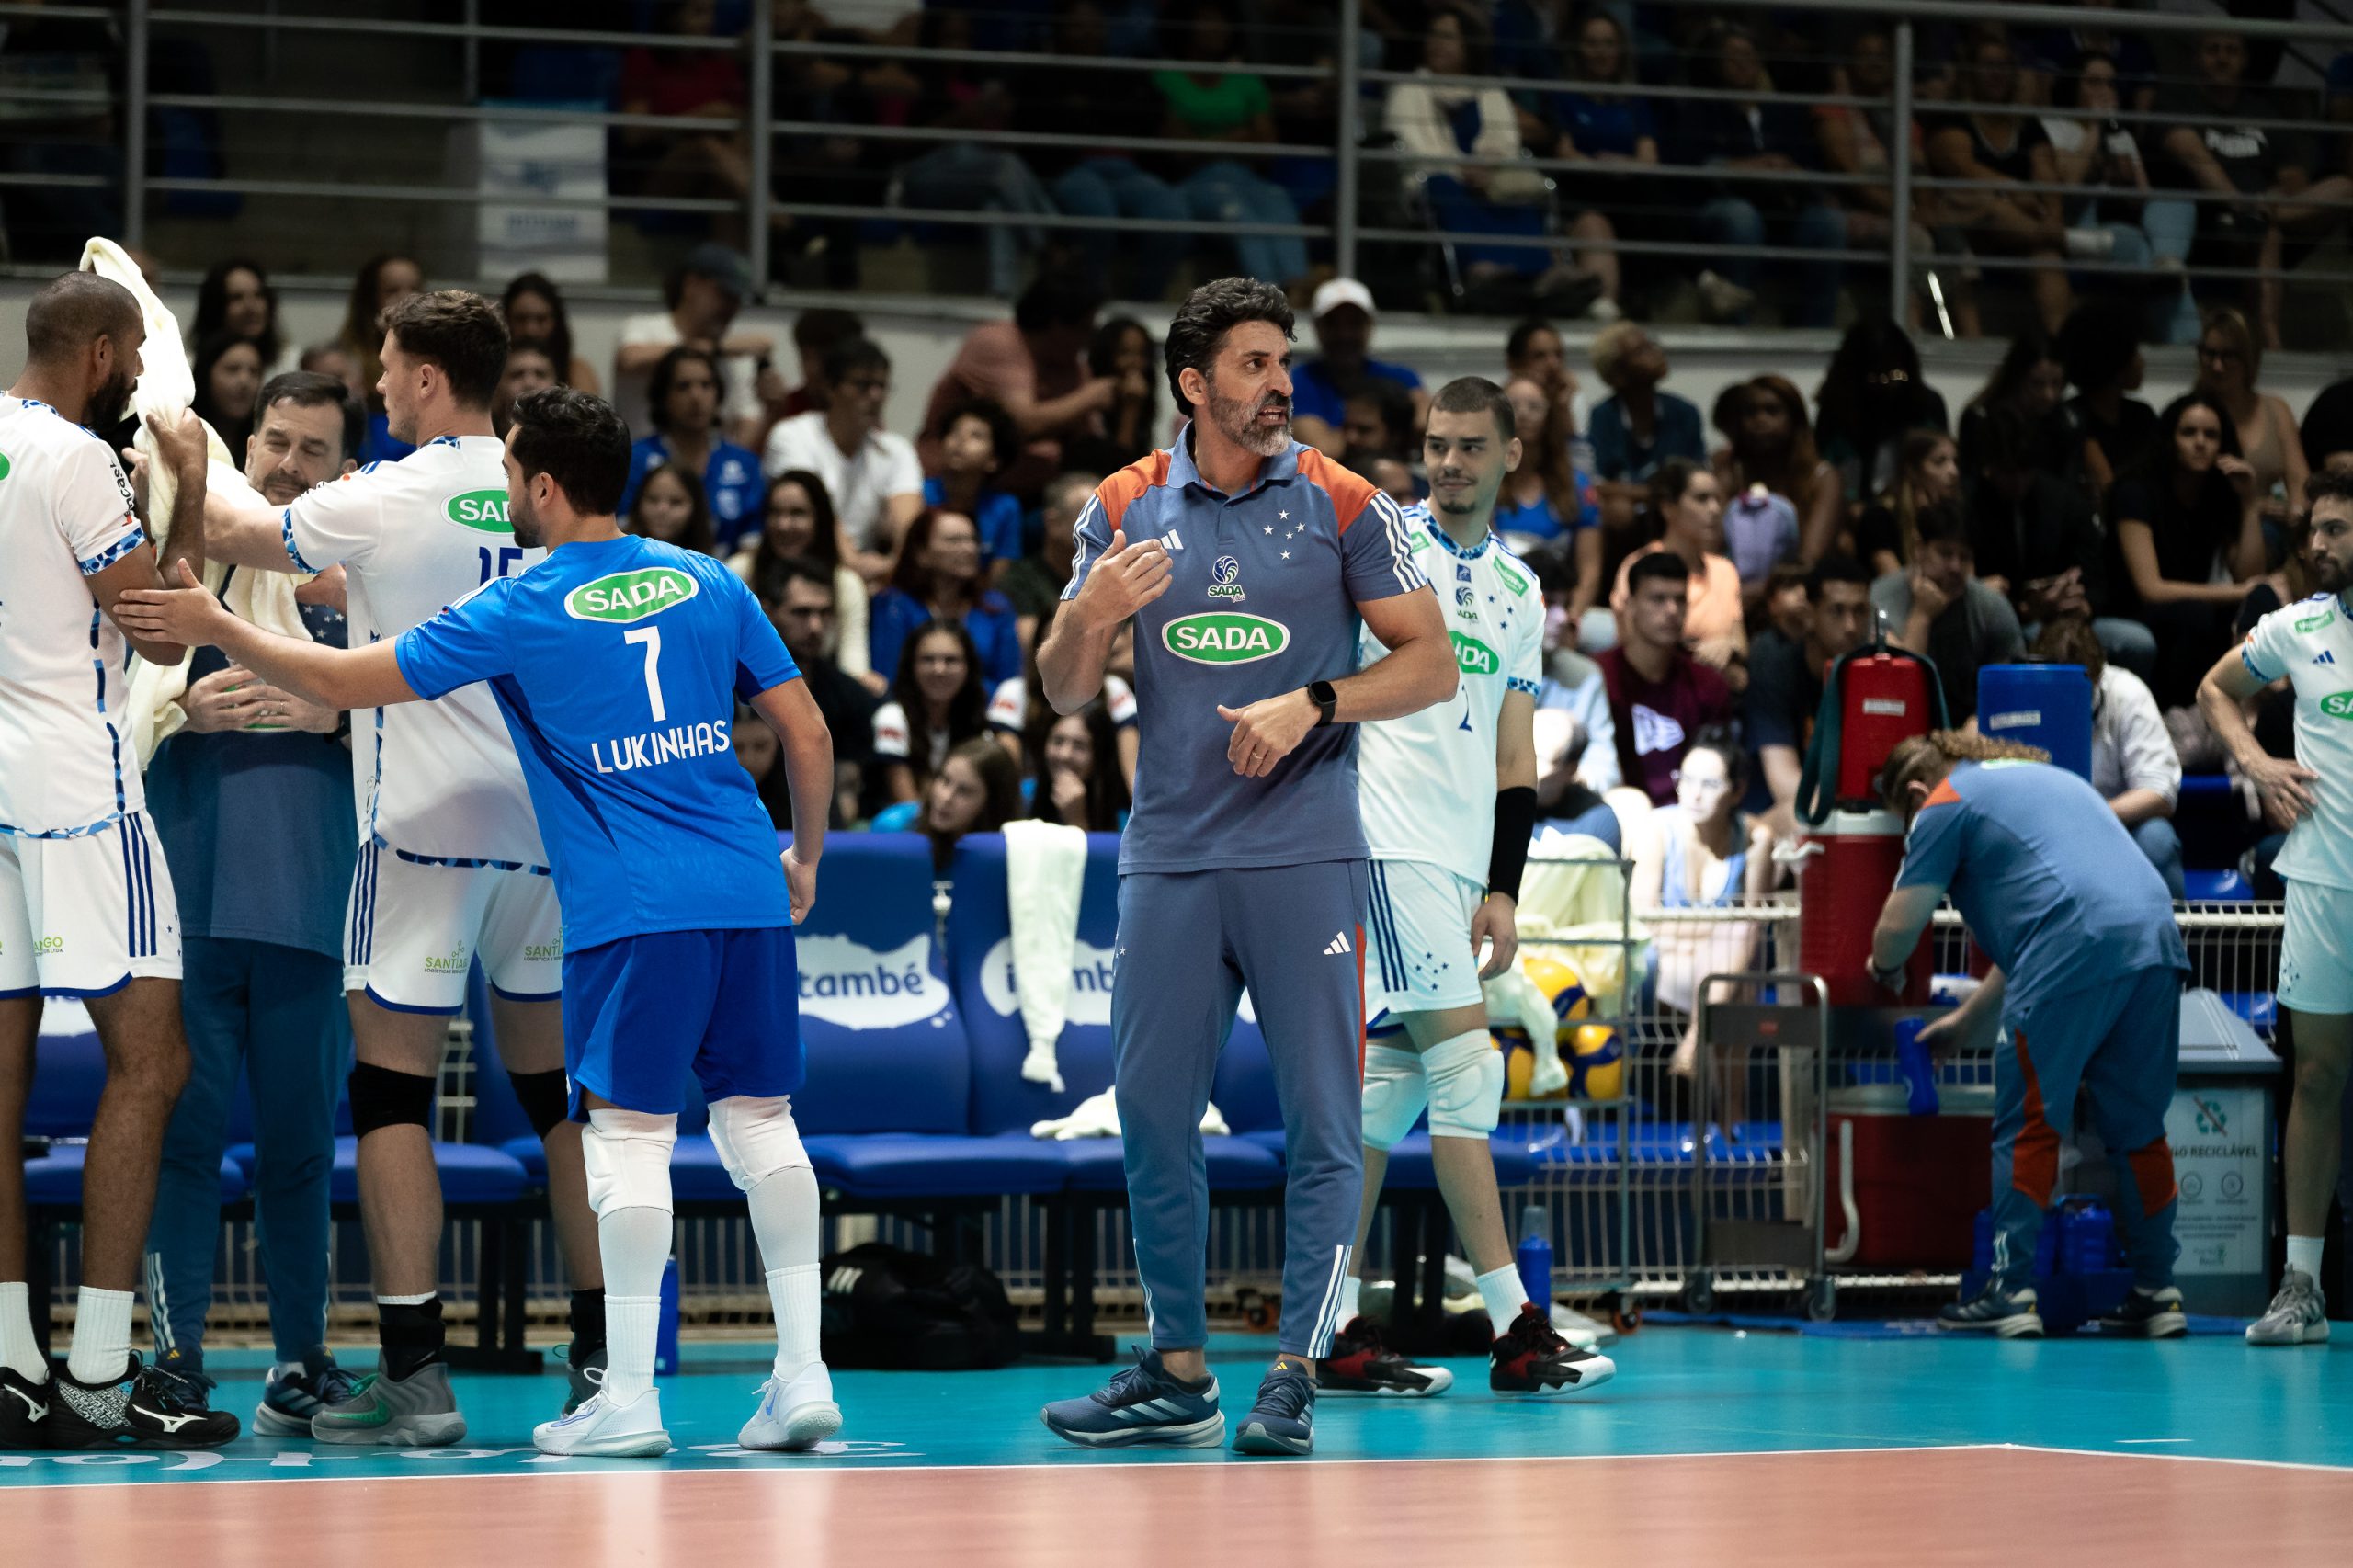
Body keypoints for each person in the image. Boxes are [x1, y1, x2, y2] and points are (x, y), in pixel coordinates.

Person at [116, 384, 845, 1460]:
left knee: (629, 1140)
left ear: (543, 486)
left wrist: (217, 623)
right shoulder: (706, 575)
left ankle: (624, 1399)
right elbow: (809, 730)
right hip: (743, 879)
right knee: (758, 1126)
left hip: (628, 903)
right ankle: (801, 1376)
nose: (499, 489)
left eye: (509, 475)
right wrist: (809, 856)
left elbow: (349, 674)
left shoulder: (529, 601)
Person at [1037, 277, 1454, 1457]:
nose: (1281, 383)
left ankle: (1293, 1367)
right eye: (1257, 363)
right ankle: (1177, 1368)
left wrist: (1318, 698)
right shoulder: (1120, 503)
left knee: (1325, 1123)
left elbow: (1429, 665)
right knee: (1153, 1122)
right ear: (1194, 383)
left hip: (1305, 854)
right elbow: (1064, 685)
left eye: (1284, 363)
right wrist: (1092, 614)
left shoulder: (1342, 499)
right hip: (1169, 854)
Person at [177, 289, 601, 1442]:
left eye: (383, 365)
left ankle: (415, 1375)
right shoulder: (540, 484)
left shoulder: (381, 491)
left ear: (422, 378)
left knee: (394, 1092)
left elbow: (236, 534)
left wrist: (175, 430)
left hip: (422, 826)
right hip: (550, 829)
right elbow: (383, 585)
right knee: (559, 1098)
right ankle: (604, 1362)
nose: (373, 383)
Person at [1320, 376, 1618, 1402]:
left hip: (1457, 867)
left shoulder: (1523, 591)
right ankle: (1514, 1330)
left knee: (1378, 1098)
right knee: (1467, 1072)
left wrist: (1502, 885)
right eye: (1436, 445)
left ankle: (1328, 1326)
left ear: (1509, 457)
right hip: (1383, 846)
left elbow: (1515, 752)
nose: (1447, 462)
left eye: (1468, 447)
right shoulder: (1376, 546)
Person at [0, 273, 235, 1450]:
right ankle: (98, 1376)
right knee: (153, 1062)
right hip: (76, 785)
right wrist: (184, 486)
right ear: (95, 352)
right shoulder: (79, 460)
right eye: (134, 355)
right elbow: (160, 617)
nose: (142, 375)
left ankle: (7, 1367)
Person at [138, 371, 366, 1435]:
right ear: (248, 442)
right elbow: (114, 686)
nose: (289, 465)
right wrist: (173, 700)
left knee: (298, 1147)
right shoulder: (179, 541)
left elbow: (437, 703)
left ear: (344, 469)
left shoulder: (360, 578)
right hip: (186, 886)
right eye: (276, 442)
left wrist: (335, 719)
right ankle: (174, 1356)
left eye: (314, 450)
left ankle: (300, 1361)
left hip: (308, 895)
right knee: (181, 1137)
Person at [1870, 732, 2186, 1338]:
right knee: (2140, 1128)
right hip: (2153, 940)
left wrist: (1884, 965)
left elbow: (1895, 931)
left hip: (2072, 946)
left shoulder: (1943, 800)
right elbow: (2046, 930)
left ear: (1914, 791)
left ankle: (2010, 1291)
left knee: (2029, 1124)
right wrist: (1965, 1024)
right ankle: (2158, 1290)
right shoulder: (2052, 780)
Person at [2195, 470, 2353, 1346]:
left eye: (2335, 530)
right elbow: (2216, 691)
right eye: (2313, 530)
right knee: (2319, 1078)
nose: (2317, 545)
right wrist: (2256, 762)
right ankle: (2302, 1287)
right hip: (2327, 883)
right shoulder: (2295, 629)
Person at [2158, 30, 2352, 349]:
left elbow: (2294, 178)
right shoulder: (2177, 101)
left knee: (2344, 187)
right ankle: (2271, 340)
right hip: (2209, 221)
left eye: (2231, 51)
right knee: (2268, 230)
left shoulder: (2262, 111)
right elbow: (2191, 154)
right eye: (2213, 49)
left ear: (2245, 60)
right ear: (2196, 58)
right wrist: (2240, 203)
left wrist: (2270, 200)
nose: (2222, 58)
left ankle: (2262, 214)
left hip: (2266, 213)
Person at [1674, 24, 1848, 329]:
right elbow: (1694, 166)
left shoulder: (1783, 112)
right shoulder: (1702, 109)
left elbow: (1811, 168)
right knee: (1742, 218)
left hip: (1784, 207)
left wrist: (1789, 170)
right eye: (1733, 57)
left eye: (1749, 55)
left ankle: (1817, 328)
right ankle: (1736, 321)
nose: (1743, 62)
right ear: (1716, 64)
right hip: (1721, 206)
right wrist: (1749, 167)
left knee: (1828, 222)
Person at [2105, 392, 2268, 710]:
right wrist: (2237, 593)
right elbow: (2149, 589)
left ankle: (2223, 719)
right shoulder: (2135, 492)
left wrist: (2249, 504)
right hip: (2129, 609)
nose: (2200, 443)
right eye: (2188, 433)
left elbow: (2249, 575)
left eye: (2211, 435)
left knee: (2241, 617)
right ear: (2170, 438)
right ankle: (2177, 718)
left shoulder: (2216, 494)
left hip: (2189, 607)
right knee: (2197, 617)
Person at [1638, 729, 1777, 1081]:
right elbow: (1643, 919)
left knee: (1742, 940)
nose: (1694, 793)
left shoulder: (1752, 837)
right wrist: (1716, 931)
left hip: (1718, 970)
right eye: (1686, 779)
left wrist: (1713, 935)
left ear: (1738, 791)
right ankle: (1726, 1117)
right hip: (1663, 964)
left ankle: (1694, 1050)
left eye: (1710, 784)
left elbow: (1754, 926)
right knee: (1734, 942)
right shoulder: (1658, 827)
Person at [1153, 6, 1312, 290]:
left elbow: (1266, 146)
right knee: (1242, 217)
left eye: (1222, 21)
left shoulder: (1246, 80)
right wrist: (1238, 137)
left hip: (1246, 177)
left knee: (1279, 203)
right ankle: (1269, 300)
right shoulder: (1168, 77)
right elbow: (1179, 150)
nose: (1217, 29)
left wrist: (1208, 141)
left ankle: (1297, 293)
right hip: (1196, 181)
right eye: (1207, 19)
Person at [1925, 29, 2071, 333]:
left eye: (2004, 65)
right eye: (1988, 65)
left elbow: (2047, 175)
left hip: (2019, 230)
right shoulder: (1952, 118)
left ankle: (2062, 348)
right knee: (1991, 204)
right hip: (1964, 222)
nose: (1996, 74)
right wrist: (2015, 190)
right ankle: (2071, 240)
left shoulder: (2027, 125)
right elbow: (1961, 167)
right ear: (1971, 71)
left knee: (2048, 260)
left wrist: (2053, 214)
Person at [920, 275, 1108, 503]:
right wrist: (1090, 397)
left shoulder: (1070, 365)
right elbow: (1024, 422)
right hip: (954, 492)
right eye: (1084, 329)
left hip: (1031, 496)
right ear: (1056, 324)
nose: (1087, 341)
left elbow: (1090, 443)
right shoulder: (998, 342)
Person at [2033, 619, 2183, 898]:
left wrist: (2091, 816)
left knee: (2157, 839)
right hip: (2040, 827)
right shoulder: (2021, 692)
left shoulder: (2127, 693)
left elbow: (2159, 792)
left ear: (2098, 676)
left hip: (2116, 825)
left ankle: (2164, 939)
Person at [765, 337, 923, 572]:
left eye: (882, 386)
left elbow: (909, 529)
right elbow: (816, 511)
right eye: (863, 385)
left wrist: (896, 568)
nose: (876, 396)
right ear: (830, 388)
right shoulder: (792, 436)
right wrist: (856, 566)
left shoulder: (897, 450)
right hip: (801, 565)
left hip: (872, 572)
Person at [1746, 554, 1873, 836]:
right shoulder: (1775, 665)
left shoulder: (1873, 672)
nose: (1851, 626)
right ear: (1811, 612)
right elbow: (1785, 785)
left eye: (1860, 611)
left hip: (1846, 807)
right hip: (1774, 814)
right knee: (1805, 817)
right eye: (1837, 611)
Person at [1875, 500, 2025, 726]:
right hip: (1902, 731)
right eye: (1945, 554)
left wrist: (1979, 722)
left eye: (1964, 557)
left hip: (1976, 733)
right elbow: (1894, 694)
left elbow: (2014, 689)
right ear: (1919, 549)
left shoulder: (1991, 607)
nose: (1955, 567)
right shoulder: (1883, 598)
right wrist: (1921, 615)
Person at [1602, 551, 1734, 808]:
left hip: (1691, 813)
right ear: (1629, 605)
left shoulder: (1708, 684)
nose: (1672, 610)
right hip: (1621, 813)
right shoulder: (1599, 677)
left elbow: (1717, 768)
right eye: (1658, 599)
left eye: (1680, 600)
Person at [613, 244, 778, 448]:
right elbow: (630, 359)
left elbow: (746, 423)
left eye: (736, 299)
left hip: (709, 472)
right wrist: (715, 348)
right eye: (724, 295)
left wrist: (773, 410)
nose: (731, 307)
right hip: (639, 466)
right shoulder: (644, 328)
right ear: (691, 284)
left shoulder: (735, 354)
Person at [760, 558, 875, 829]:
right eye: (801, 613)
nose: (815, 627)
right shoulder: (731, 691)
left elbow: (847, 797)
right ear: (768, 613)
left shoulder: (849, 694)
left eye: (824, 614)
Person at [734, 471, 873, 691]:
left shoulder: (845, 584)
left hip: (824, 699)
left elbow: (853, 666)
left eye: (797, 513)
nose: (784, 525)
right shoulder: (739, 573)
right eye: (775, 513)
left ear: (820, 520)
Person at [620, 346, 766, 553]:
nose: (696, 396)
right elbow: (623, 535)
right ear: (663, 396)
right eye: (683, 386)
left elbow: (753, 545)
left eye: (706, 385)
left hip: (728, 577)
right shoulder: (634, 460)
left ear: (719, 393)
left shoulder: (745, 464)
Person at [1610, 460, 1745, 677]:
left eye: (1717, 499)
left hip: (1716, 686)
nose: (1715, 509)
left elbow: (1741, 641)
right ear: (1668, 508)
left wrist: (1728, 645)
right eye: (1702, 499)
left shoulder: (1725, 570)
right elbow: (1629, 641)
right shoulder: (1639, 566)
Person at [868, 508, 1022, 688]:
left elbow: (1009, 685)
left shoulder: (996, 607)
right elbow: (886, 678)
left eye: (973, 540)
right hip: (909, 711)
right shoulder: (893, 605)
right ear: (921, 553)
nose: (969, 548)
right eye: (954, 541)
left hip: (983, 712)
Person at [1813, 318, 1952, 511]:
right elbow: (1826, 470)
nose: (1886, 386)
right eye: (1874, 377)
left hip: (1917, 507)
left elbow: (1940, 466)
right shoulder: (1837, 408)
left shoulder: (1925, 404)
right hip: (1848, 511)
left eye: (1894, 375)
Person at [1290, 279, 1428, 461]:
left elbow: (1427, 422)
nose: (1344, 334)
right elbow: (1323, 450)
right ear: (1317, 327)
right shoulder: (1298, 381)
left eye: (1354, 323)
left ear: (1369, 326)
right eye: (1333, 324)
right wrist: (1381, 429)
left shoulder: (1402, 376)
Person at [1713, 374, 1843, 569]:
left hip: (1797, 585)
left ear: (1795, 420)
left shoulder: (1822, 477)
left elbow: (1810, 559)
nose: (1760, 420)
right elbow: (1711, 543)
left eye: (1772, 411)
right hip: (1731, 578)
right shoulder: (1729, 470)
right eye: (1750, 412)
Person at [2192, 306, 2307, 523]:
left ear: (2249, 358)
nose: (2217, 366)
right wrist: (2253, 507)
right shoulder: (2192, 412)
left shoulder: (2275, 408)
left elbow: (2299, 479)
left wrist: (2297, 519)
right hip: (2214, 526)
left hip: (2275, 527)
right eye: (2210, 354)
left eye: (2228, 356)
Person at [1586, 324, 1706, 527]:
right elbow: (1597, 484)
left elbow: (1697, 473)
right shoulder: (1604, 416)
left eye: (1652, 345)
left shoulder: (1683, 412)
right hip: (1630, 513)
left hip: (1676, 505)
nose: (1656, 353)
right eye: (1641, 351)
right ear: (1618, 374)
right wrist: (1650, 494)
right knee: (1618, 510)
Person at [872, 619, 990, 809]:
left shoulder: (976, 719)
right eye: (928, 660)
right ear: (911, 666)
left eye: (951, 660)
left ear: (968, 668)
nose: (939, 669)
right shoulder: (892, 717)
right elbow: (908, 806)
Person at [1957, 326, 2086, 494]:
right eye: (2037, 384)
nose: (2049, 395)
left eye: (2057, 384)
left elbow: (2069, 487)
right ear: (2017, 378)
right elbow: (1971, 484)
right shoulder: (1981, 418)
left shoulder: (2068, 422)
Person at [2060, 298, 2158, 494]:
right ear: (2115, 364)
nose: (2142, 362)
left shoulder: (2141, 416)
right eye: (2135, 353)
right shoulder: (2070, 420)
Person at [336, 253, 425, 459]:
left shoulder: (440, 354)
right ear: (370, 299)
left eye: (414, 289)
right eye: (392, 290)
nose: (407, 298)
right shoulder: (346, 358)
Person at [1001, 472, 1098, 652]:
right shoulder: (1021, 579)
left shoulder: (1111, 573)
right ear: (1053, 523)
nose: (1105, 527)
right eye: (1092, 517)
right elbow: (1033, 645)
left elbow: (1139, 647)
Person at [925, 399, 1024, 571]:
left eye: (976, 436)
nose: (960, 440)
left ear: (994, 460)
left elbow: (999, 575)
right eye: (954, 432)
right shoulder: (919, 493)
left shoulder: (1005, 507)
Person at [1857, 429, 1960, 578]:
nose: (1954, 471)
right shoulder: (1879, 518)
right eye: (1939, 462)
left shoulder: (1957, 516)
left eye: (1955, 461)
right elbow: (1894, 584)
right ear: (1912, 471)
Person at [1063, 318, 1160, 477]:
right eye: (1125, 353)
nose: (1135, 363)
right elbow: (1119, 472)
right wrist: (1131, 409)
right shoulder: (1089, 404)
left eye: (1141, 354)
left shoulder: (1141, 402)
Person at [914, 738, 1023, 863]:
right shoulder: (896, 827)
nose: (946, 797)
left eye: (964, 791)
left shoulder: (1012, 858)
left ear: (992, 803)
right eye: (945, 780)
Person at [1023, 703, 1130, 831]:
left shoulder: (1125, 817)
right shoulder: (1023, 796)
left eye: (1079, 746)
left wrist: (1076, 820)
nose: (1064, 755)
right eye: (1058, 741)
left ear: (1100, 755)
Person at [500, 271, 601, 395]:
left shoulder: (576, 373)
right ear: (506, 319)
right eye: (521, 319)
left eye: (541, 319)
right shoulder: (491, 372)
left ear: (556, 321)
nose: (531, 330)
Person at [191, 257, 290, 375]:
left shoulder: (290, 363)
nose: (251, 307)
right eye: (236, 298)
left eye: (258, 295)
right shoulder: (187, 367)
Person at [189, 331, 265, 459]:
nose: (244, 381)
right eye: (232, 369)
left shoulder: (264, 444)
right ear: (205, 376)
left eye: (254, 372)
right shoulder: (180, 436)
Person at [626, 460, 719, 557]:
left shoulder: (709, 566)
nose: (662, 510)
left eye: (676, 502)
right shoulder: (618, 554)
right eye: (652, 499)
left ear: (696, 508)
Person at [496, 338, 559, 438]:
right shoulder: (484, 439)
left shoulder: (572, 441)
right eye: (517, 374)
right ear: (498, 385)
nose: (529, 383)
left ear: (556, 383)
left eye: (540, 374)